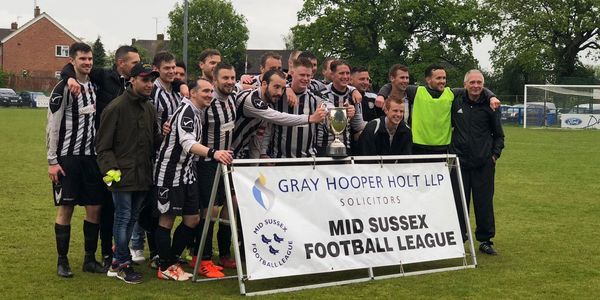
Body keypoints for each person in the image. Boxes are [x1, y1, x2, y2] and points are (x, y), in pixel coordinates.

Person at [60, 45, 140, 270]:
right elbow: (72, 66)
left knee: (117, 206)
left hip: (124, 153)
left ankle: (115, 252)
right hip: (100, 153)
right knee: (105, 205)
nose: (137, 66)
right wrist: (68, 79)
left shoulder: (136, 83)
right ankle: (105, 254)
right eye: (134, 63)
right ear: (120, 63)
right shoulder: (104, 76)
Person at [154, 78, 233, 281]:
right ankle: (165, 266)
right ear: (192, 93)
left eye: (210, 91)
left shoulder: (196, 112)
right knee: (167, 219)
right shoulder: (187, 112)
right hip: (170, 173)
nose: (209, 94)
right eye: (204, 91)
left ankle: (170, 260)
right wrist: (214, 153)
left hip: (187, 173)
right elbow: (188, 143)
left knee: (193, 219)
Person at [96, 63, 162, 284]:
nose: (149, 84)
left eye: (152, 80)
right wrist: (113, 174)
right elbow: (102, 146)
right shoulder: (115, 107)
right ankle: (123, 265)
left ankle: (116, 263)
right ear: (132, 80)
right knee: (123, 219)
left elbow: (154, 142)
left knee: (132, 219)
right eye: (145, 80)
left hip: (143, 176)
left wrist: (165, 134)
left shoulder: (149, 108)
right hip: (121, 176)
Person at [47, 42, 105, 278]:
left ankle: (89, 259)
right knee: (66, 208)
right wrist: (52, 160)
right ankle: (63, 261)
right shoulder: (63, 87)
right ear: (72, 61)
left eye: (90, 59)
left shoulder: (94, 87)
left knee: (94, 208)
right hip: (68, 158)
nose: (87, 63)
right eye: (82, 59)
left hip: (91, 158)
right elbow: (52, 126)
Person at [377, 63, 500, 154]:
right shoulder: (417, 91)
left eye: (444, 78)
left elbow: (475, 88)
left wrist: (492, 97)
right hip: (418, 146)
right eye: (438, 78)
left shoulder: (451, 93)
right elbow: (393, 84)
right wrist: (382, 95)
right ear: (428, 79)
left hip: (443, 147)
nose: (442, 81)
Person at [189, 62, 238, 278]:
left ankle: (224, 254)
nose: (229, 82)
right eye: (224, 78)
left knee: (229, 208)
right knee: (210, 212)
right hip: (207, 163)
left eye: (232, 78)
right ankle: (203, 258)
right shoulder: (207, 102)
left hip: (226, 162)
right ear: (215, 80)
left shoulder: (234, 98)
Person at [450, 70, 504, 255]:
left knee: (484, 202)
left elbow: (499, 135)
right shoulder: (455, 100)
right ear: (464, 84)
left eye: (479, 82)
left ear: (484, 84)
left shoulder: (491, 106)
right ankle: (459, 238)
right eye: (472, 82)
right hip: (459, 163)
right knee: (459, 202)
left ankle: (485, 240)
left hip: (483, 164)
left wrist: (494, 155)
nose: (475, 86)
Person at [261, 58, 326, 158]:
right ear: (291, 72)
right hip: (280, 159)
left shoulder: (315, 98)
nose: (305, 78)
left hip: (308, 160)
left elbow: (329, 107)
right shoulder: (278, 96)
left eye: (308, 75)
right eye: (302, 75)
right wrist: (263, 152)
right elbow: (267, 127)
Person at [315, 59, 363, 156]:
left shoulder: (354, 96)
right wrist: (344, 113)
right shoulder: (321, 94)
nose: (345, 77)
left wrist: (354, 113)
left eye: (347, 73)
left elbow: (358, 126)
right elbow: (323, 119)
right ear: (332, 75)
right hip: (323, 148)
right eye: (341, 73)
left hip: (346, 147)